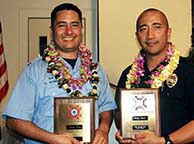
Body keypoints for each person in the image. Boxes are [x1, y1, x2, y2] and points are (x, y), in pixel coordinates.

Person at [2, 3, 116, 144]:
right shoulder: (35, 71)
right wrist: (52, 139)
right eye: (62, 25)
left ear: (81, 29)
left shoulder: (96, 69)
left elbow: (107, 107)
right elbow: (13, 121)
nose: (69, 31)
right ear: (52, 30)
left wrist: (103, 129)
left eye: (74, 25)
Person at [114, 8, 194, 144]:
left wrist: (165, 141)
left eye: (157, 27)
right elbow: (118, 114)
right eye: (143, 29)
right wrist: (124, 132)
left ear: (168, 32)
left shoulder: (190, 72)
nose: (150, 35)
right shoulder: (128, 75)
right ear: (137, 35)